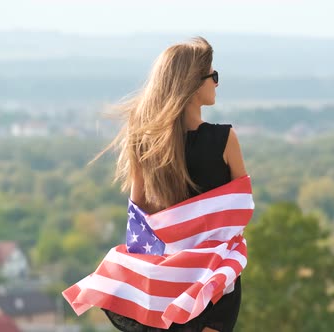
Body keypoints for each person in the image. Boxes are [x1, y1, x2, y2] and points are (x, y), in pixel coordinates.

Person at [83, 37, 248, 332]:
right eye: (214, 76)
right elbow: (241, 209)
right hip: (214, 281)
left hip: (166, 285)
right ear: (194, 83)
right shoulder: (224, 140)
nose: (216, 84)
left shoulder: (143, 142)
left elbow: (139, 216)